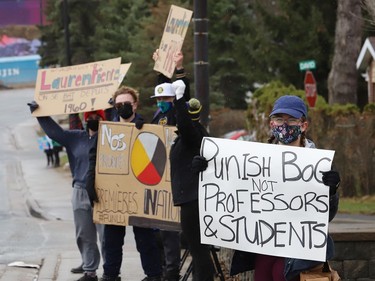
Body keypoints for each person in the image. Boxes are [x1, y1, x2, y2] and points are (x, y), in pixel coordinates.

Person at [192, 95, 341, 281]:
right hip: (266, 243)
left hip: (300, 246)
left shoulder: (318, 164)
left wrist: (331, 191)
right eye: (279, 119)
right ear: (271, 124)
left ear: (303, 125)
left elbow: (328, 215)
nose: (284, 125)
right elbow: (232, 188)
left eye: (291, 119)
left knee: (281, 275)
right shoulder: (256, 161)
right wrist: (207, 170)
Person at [86, 86, 163, 281]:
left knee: (145, 239)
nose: (122, 107)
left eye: (126, 104)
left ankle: (153, 275)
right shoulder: (106, 131)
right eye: (118, 104)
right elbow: (93, 158)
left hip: (139, 193)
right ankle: (111, 275)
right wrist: (90, 182)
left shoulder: (147, 128)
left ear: (135, 104)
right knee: (111, 239)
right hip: (113, 194)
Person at [27, 102, 106, 281]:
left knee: (106, 234)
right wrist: (39, 113)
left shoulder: (111, 138)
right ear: (85, 120)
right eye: (90, 118)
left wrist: (112, 109)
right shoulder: (75, 137)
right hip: (80, 191)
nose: (93, 120)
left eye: (97, 117)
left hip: (104, 191)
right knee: (84, 234)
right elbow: (55, 133)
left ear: (103, 119)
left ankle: (110, 271)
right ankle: (90, 271)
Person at [150, 49, 191, 281]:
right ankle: (164, 270)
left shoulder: (177, 110)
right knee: (159, 231)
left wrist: (178, 68)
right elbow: (164, 89)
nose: (162, 102)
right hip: (159, 176)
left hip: (176, 177)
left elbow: (180, 92)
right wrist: (160, 67)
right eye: (159, 100)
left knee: (170, 232)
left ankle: (172, 272)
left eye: (166, 100)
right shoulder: (158, 114)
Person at [168, 80, 215, 281]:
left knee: (199, 251)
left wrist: (179, 98)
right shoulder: (194, 133)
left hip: (194, 201)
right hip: (190, 199)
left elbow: (185, 124)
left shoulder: (192, 133)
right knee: (197, 250)